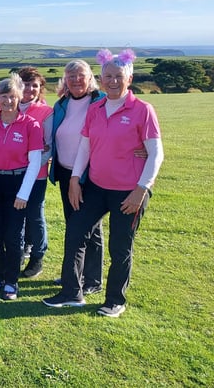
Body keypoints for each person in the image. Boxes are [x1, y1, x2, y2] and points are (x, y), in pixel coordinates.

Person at [44, 49, 163, 317]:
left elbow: (156, 153)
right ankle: (71, 293)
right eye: (108, 75)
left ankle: (114, 300)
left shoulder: (143, 110)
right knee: (75, 233)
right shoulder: (96, 108)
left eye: (118, 76)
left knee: (119, 246)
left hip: (129, 191)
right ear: (101, 77)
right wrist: (75, 179)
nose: (112, 81)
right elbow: (85, 147)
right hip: (96, 187)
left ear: (128, 78)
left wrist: (141, 190)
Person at [0, 75, 43, 300]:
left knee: (13, 236)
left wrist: (23, 194)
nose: (7, 101)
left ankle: (11, 281)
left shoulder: (30, 125)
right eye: (3, 96)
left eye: (12, 96)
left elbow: (34, 163)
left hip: (18, 183)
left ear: (19, 97)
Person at [47, 60, 106, 294]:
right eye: (70, 76)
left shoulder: (100, 101)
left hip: (90, 174)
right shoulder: (62, 103)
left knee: (90, 227)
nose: (75, 80)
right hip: (64, 172)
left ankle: (92, 279)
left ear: (90, 77)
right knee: (73, 225)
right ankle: (73, 274)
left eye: (80, 75)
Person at [17, 67, 53, 278]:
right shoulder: (10, 107)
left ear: (40, 89)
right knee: (17, 215)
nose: (30, 89)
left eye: (35, 85)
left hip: (37, 175)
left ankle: (37, 256)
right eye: (26, 84)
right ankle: (19, 252)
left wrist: (31, 169)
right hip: (13, 173)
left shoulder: (46, 112)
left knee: (34, 215)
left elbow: (49, 146)